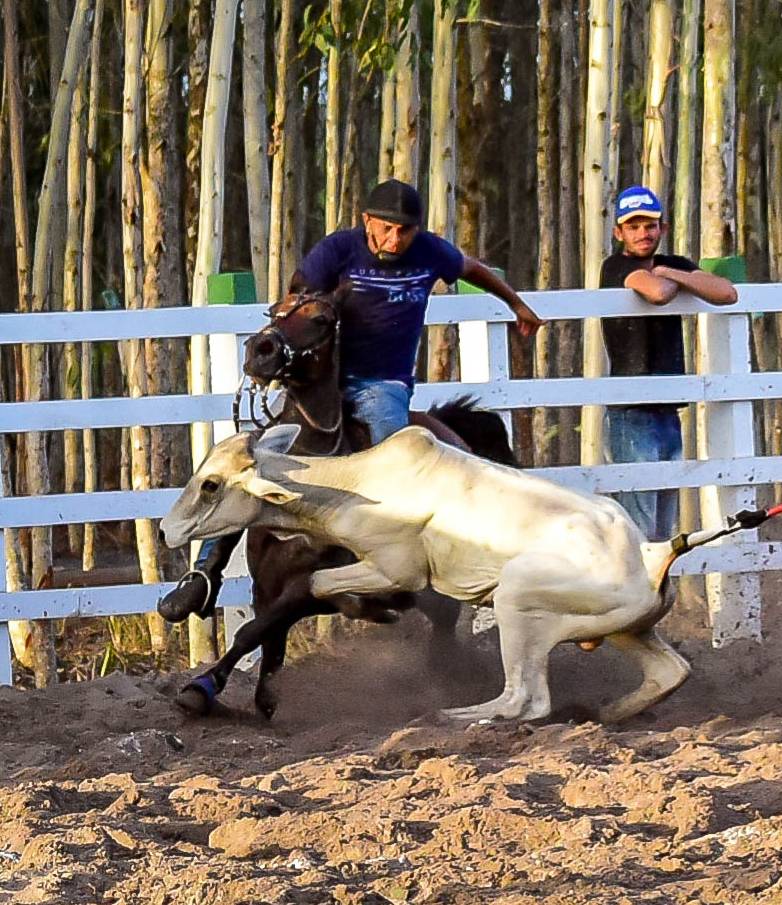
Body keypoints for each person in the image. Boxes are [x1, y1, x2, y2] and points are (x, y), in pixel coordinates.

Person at [157, 179, 543, 623]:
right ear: (366, 222)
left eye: (405, 231)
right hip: (322, 378)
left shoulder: (432, 253)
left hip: (384, 383)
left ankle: (403, 559)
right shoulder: (338, 250)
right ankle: (204, 573)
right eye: (385, 228)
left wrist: (516, 304)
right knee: (246, 459)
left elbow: (472, 268)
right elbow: (298, 298)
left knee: (395, 452)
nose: (394, 239)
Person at [599, 185, 738, 541]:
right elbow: (656, 293)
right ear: (619, 233)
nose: (643, 233)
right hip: (632, 409)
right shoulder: (616, 266)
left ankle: (655, 589)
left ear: (663, 227)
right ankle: (633, 592)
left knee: (664, 518)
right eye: (634, 226)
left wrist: (674, 274)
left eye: (650, 225)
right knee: (639, 519)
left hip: (666, 407)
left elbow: (727, 292)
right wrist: (674, 281)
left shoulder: (672, 266)